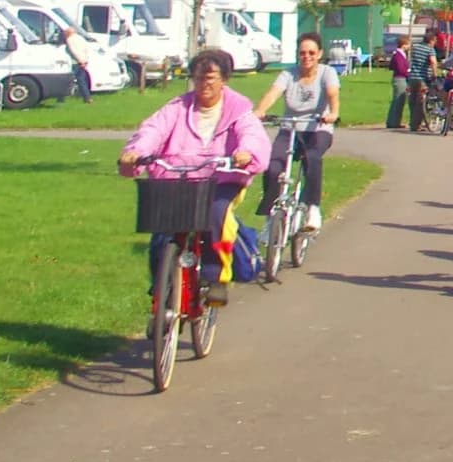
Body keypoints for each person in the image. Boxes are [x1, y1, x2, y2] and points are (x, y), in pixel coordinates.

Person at [118, 49, 266, 304]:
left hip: (222, 179)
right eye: (198, 77)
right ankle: (162, 289)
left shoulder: (239, 111)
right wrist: (136, 152)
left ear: (224, 79)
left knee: (216, 213)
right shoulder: (177, 107)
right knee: (162, 234)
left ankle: (215, 277)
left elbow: (252, 135)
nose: (203, 84)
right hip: (177, 178)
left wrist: (245, 152)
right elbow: (153, 130)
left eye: (210, 78)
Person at [253, 32, 341, 231]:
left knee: (312, 158)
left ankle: (313, 208)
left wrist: (333, 113)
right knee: (273, 166)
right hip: (290, 128)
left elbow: (332, 93)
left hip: (317, 128)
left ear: (319, 54)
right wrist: (260, 110)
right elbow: (273, 92)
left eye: (311, 52)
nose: (307, 57)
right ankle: (270, 219)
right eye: (302, 53)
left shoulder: (327, 72)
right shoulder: (288, 74)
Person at [384, 36, 412, 130]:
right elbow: (400, 68)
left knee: (399, 101)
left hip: (399, 78)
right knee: (398, 101)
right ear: (404, 45)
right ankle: (393, 122)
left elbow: (392, 66)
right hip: (400, 79)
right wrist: (408, 72)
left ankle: (395, 121)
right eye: (408, 44)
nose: (409, 46)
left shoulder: (398, 54)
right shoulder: (399, 55)